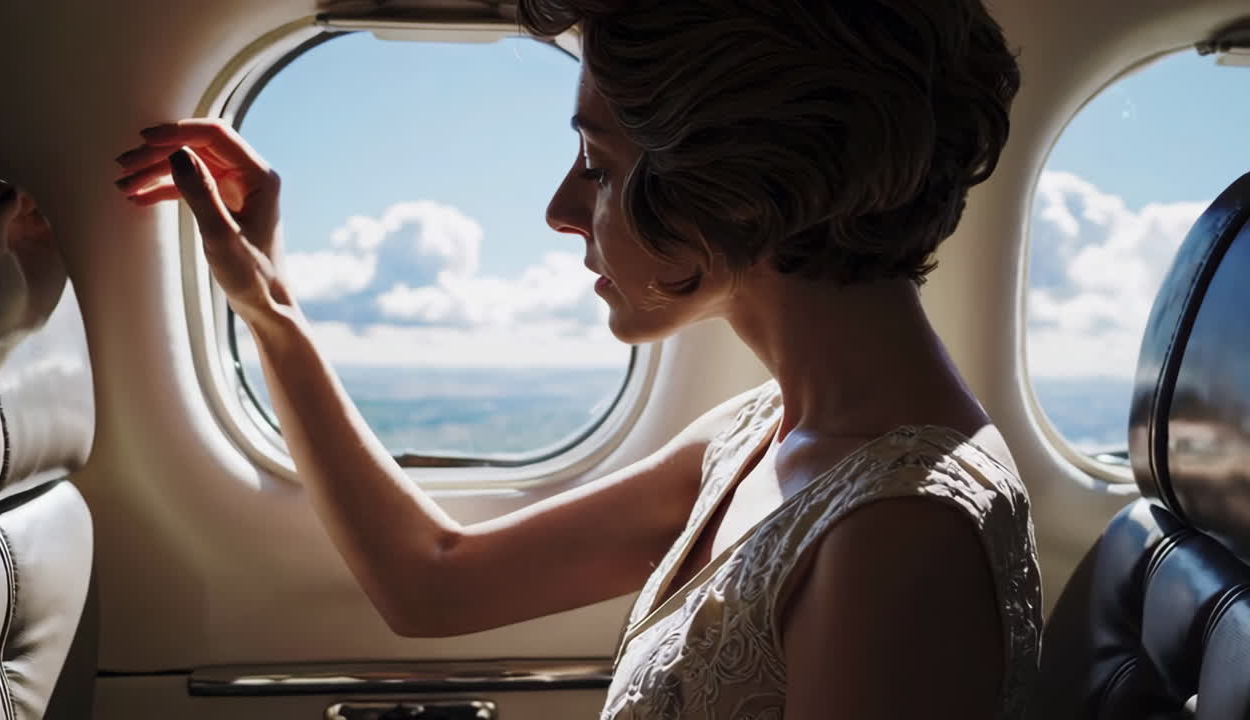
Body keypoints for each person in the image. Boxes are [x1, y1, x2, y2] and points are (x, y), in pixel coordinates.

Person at [113, 0, 1040, 717]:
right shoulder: (768, 433)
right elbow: (431, 580)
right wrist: (268, 307)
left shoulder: (900, 536)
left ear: (738, 193)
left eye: (598, 165)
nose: (561, 209)